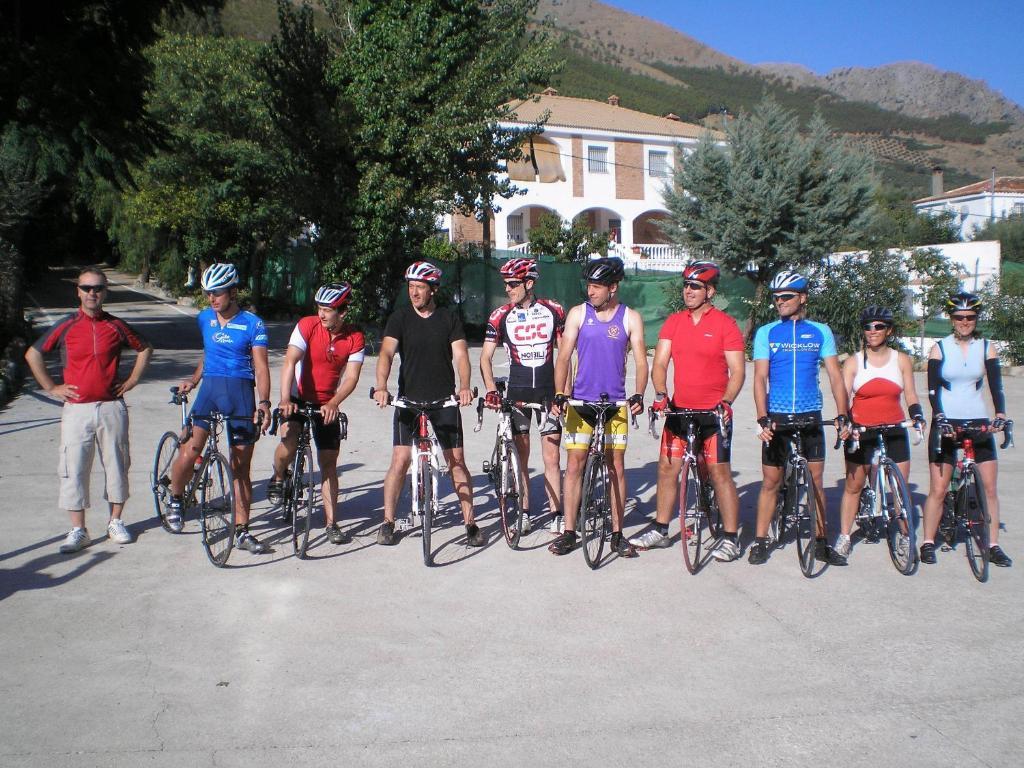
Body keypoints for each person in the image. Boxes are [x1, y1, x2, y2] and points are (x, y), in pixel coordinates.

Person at [25, 267, 153, 553]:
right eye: (86, 288)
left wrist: (131, 381)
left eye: (97, 288)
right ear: (78, 291)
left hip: (111, 407)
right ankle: (78, 529)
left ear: (105, 291)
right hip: (77, 409)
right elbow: (33, 354)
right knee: (74, 468)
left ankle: (115, 521)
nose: (92, 293)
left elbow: (145, 349)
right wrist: (51, 387)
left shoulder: (116, 325)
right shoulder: (67, 325)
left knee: (117, 463)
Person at [629, 261, 745, 561]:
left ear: (710, 291)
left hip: (713, 413)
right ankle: (660, 528)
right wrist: (661, 393)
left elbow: (737, 371)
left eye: (695, 286)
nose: (688, 291)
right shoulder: (675, 322)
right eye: (686, 285)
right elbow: (660, 363)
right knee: (667, 469)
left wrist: (727, 401)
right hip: (680, 411)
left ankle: (731, 537)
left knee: (720, 474)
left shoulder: (725, 325)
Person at [373, 261, 485, 547]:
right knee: (399, 461)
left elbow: (461, 356)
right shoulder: (399, 318)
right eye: (410, 287)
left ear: (433, 290)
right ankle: (387, 522)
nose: (414, 293)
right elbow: (386, 353)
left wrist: (463, 387)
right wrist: (383, 386)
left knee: (456, 462)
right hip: (408, 400)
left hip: (444, 400)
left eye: (420, 288)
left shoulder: (449, 319)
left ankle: (470, 524)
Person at [166, 263, 272, 553]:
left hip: (240, 393)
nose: (212, 299)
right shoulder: (204, 319)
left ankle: (242, 531)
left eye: (218, 293)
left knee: (241, 467)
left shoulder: (253, 324)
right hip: (210, 391)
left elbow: (261, 368)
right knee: (190, 450)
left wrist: (263, 402)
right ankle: (175, 498)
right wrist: (194, 379)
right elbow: (209, 354)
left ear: (233, 291)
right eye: (208, 293)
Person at [549, 257, 648, 557]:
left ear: (613, 287)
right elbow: (564, 357)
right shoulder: (579, 314)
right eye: (588, 286)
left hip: (615, 404)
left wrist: (639, 394)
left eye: (596, 287)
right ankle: (569, 531)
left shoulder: (631, 317)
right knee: (575, 463)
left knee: (616, 465)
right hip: (581, 403)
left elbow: (642, 361)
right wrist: (559, 393)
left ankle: (617, 534)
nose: (590, 292)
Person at [749, 270, 849, 566]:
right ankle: (760, 540)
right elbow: (759, 378)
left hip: (810, 414)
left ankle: (820, 542)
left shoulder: (820, 331)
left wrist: (843, 414)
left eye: (786, 296)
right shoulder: (767, 332)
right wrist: (762, 417)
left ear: (802, 297)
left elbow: (835, 375)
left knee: (816, 481)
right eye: (776, 297)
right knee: (770, 482)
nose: (779, 301)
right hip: (778, 416)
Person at [920, 292, 1012, 567]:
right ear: (951, 319)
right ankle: (927, 541)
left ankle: (993, 544)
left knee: (990, 488)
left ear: (976, 319)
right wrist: (939, 417)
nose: (964, 322)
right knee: (938, 488)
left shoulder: (986, 348)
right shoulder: (940, 348)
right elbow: (933, 390)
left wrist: (1000, 414)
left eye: (970, 317)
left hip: (978, 420)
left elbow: (996, 386)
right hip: (948, 421)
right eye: (959, 317)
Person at [269, 283, 364, 545]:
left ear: (342, 311)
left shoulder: (355, 337)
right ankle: (279, 475)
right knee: (288, 442)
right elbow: (290, 360)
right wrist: (285, 399)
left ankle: (332, 524)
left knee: (328, 464)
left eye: (328, 310)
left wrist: (334, 402)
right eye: (320, 308)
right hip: (297, 398)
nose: (322, 314)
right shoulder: (307, 325)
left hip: (326, 404)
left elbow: (352, 377)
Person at [480, 258, 566, 534]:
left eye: (513, 284)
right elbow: (484, 358)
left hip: (547, 393)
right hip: (516, 393)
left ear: (529, 283)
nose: (508, 289)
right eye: (506, 284)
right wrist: (492, 389)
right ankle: (525, 512)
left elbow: (565, 356)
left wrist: (563, 392)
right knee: (522, 459)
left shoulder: (553, 310)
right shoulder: (499, 315)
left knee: (552, 459)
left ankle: (556, 514)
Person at [835, 306, 925, 560]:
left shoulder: (902, 360)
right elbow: (843, 396)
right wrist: (845, 423)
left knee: (900, 489)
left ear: (889, 330)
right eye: (867, 327)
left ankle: (906, 538)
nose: (872, 331)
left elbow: (909, 393)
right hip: (862, 429)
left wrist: (917, 414)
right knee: (854, 486)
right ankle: (844, 537)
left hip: (895, 428)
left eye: (878, 326)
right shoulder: (854, 361)